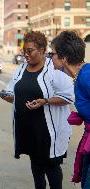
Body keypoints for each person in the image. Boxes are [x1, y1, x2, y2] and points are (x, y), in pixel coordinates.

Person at [0, 31, 74, 189]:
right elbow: (13, 91)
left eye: (29, 51)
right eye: (24, 51)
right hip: (28, 128)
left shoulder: (54, 69)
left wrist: (45, 101)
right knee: (36, 165)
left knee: (51, 166)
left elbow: (68, 96)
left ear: (41, 50)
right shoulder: (20, 69)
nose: (26, 55)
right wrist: (9, 96)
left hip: (48, 130)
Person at [50, 31, 90, 188]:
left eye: (52, 54)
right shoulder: (80, 75)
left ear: (64, 58)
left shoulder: (86, 75)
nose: (50, 57)